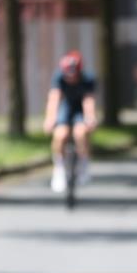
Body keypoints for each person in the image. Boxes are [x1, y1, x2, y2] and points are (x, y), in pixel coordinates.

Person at [43, 50, 97, 192]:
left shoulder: (88, 79)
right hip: (66, 106)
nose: (70, 79)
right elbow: (54, 99)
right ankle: (59, 169)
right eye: (68, 76)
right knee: (60, 135)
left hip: (80, 108)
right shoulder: (58, 77)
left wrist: (90, 117)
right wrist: (50, 118)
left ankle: (83, 164)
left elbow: (88, 101)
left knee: (81, 133)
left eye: (73, 76)